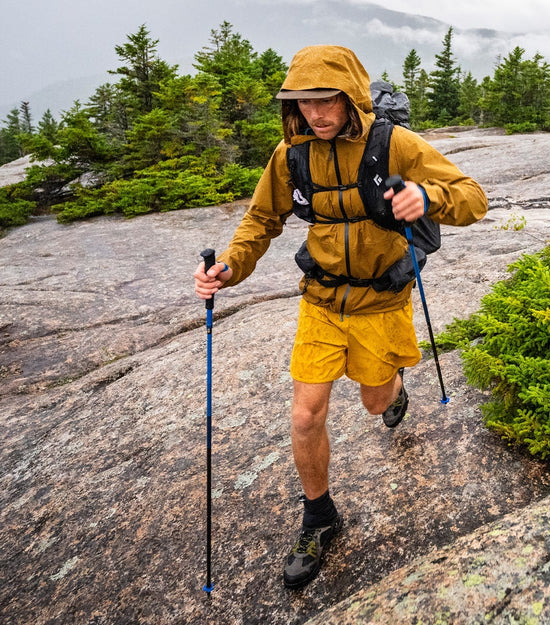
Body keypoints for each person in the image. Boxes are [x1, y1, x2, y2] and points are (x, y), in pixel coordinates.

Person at [191, 45, 487, 589]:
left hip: (380, 301)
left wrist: (427, 195)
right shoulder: (291, 154)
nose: (316, 115)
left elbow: (474, 198)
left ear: (349, 97)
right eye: (304, 104)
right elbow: (262, 217)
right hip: (322, 302)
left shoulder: (394, 143)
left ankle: (394, 391)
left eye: (326, 101)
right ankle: (319, 516)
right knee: (305, 415)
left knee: (376, 402)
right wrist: (231, 266)